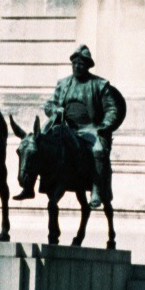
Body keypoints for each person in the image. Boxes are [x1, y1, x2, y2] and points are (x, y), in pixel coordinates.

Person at [41, 46, 124, 210]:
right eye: (75, 63)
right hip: (66, 127)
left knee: (99, 150)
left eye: (81, 64)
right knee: (40, 143)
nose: (77, 66)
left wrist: (105, 126)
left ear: (87, 66)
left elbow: (112, 109)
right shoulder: (63, 84)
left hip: (90, 129)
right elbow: (50, 104)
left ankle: (97, 189)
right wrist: (55, 110)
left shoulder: (99, 85)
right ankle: (40, 183)